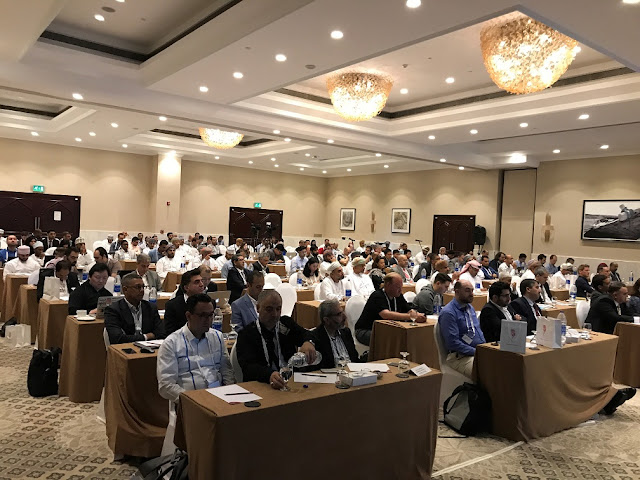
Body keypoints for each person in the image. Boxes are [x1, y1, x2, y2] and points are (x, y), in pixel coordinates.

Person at [157, 294, 235, 403]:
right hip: (190, 402)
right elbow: (166, 386)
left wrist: (230, 393)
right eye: (202, 315)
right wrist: (193, 401)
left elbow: (227, 371)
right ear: (188, 316)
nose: (208, 320)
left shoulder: (217, 337)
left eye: (210, 315)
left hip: (220, 397)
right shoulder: (171, 343)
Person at [236, 290, 317, 388]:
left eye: (278, 309)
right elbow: (248, 367)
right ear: (258, 308)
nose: (275, 314)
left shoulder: (286, 324)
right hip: (262, 384)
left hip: (291, 382)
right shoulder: (247, 334)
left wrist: (308, 342)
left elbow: (307, 334)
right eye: (269, 309)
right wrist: (269, 375)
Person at [355, 273, 425, 345]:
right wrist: (411, 317)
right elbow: (386, 314)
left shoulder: (398, 296)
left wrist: (417, 315)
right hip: (366, 330)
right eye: (398, 287)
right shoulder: (377, 296)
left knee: (408, 334)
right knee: (391, 337)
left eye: (401, 287)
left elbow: (408, 310)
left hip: (388, 329)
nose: (400, 290)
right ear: (388, 285)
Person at [438, 280, 486, 378]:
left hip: (478, 352)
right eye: (467, 290)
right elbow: (453, 343)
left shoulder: (470, 308)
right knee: (489, 369)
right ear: (457, 292)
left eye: (472, 290)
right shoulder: (449, 313)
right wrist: (477, 352)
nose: (471, 294)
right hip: (459, 357)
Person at [104, 273, 165, 344]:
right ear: (125, 289)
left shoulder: (150, 308)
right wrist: (146, 336)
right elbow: (117, 338)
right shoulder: (113, 310)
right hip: (126, 348)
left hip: (149, 347)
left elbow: (161, 333)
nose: (142, 290)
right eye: (138, 287)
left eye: (143, 287)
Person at [312, 299, 359, 369]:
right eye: (339, 314)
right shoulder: (316, 337)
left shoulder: (346, 332)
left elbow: (355, 359)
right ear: (327, 320)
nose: (344, 317)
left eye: (343, 312)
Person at [164, 269, 205, 335]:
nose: (201, 284)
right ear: (186, 287)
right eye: (197, 282)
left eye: (202, 281)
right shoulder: (172, 305)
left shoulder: (209, 303)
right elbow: (170, 332)